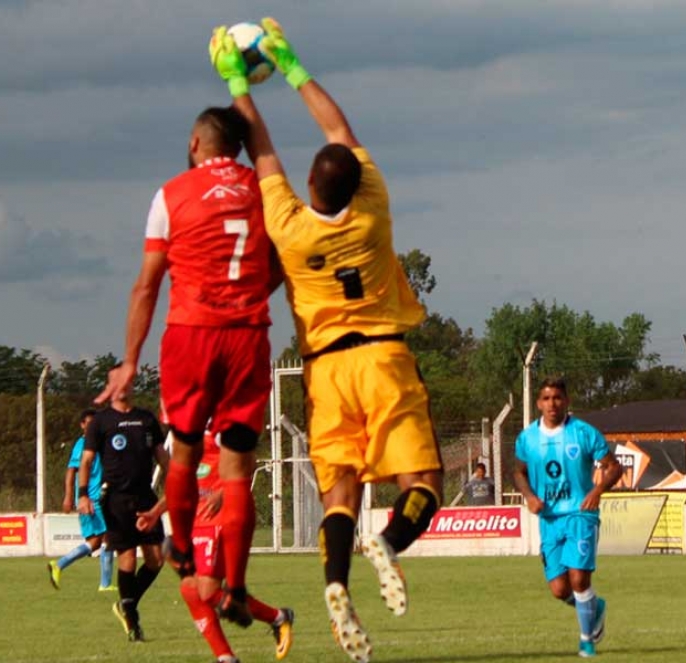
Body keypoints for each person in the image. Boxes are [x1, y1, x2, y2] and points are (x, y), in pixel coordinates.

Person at [210, 19, 446, 663]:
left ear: (310, 186)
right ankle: (390, 542)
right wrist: (289, 65)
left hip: (323, 371)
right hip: (383, 356)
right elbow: (340, 132)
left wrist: (238, 81)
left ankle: (336, 583)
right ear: (354, 182)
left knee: (340, 492)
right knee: (422, 479)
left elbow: (261, 151)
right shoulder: (372, 210)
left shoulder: (288, 225)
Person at [95, 100, 282, 627]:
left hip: (190, 334)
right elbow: (283, 266)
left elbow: (147, 284)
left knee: (183, 451)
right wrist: (250, 296)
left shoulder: (171, 194)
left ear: (196, 143)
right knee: (238, 468)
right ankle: (238, 587)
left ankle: (179, 553)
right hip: (248, 336)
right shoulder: (264, 190)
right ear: (239, 147)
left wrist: (129, 361)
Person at [513, 377, 622, 658]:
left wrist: (598, 489)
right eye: (546, 398)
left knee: (578, 579)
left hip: (580, 514)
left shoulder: (584, 433)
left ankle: (587, 641)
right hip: (549, 519)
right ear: (538, 403)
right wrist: (529, 496)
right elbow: (518, 472)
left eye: (557, 398)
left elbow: (613, 467)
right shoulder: (527, 438)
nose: (552, 403)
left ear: (567, 401)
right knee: (560, 590)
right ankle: (594, 608)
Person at [168, 431, 295, 662]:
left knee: (207, 590)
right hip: (196, 521)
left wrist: (223, 492)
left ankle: (278, 617)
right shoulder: (182, 427)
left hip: (220, 517)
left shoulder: (217, 425)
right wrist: (155, 512)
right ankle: (226, 657)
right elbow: (182, 480)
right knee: (189, 588)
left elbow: (249, 461)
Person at [79, 390, 168, 643]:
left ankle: (126, 604)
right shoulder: (101, 421)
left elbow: (161, 456)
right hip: (116, 498)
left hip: (145, 498)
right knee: (127, 557)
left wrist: (177, 479)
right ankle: (132, 620)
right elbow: (86, 461)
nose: (124, 387)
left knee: (156, 559)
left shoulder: (146, 419)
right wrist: (83, 494)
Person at [47, 408, 116, 591]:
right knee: (109, 536)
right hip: (92, 499)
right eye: (89, 423)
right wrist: (69, 496)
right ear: (82, 425)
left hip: (93, 498)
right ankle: (105, 584)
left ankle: (59, 565)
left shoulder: (100, 443)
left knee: (94, 542)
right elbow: (71, 471)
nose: (93, 426)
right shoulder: (83, 444)